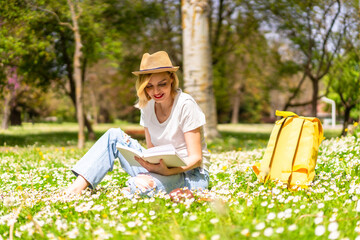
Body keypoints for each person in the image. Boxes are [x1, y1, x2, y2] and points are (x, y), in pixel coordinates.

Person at [66, 51, 210, 196]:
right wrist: (153, 167)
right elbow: (152, 151)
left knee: (142, 185)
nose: (156, 91)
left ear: (172, 79)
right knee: (113, 135)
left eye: (162, 84)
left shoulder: (185, 104)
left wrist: (168, 171)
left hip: (189, 174)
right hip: (160, 168)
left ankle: (138, 187)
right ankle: (76, 189)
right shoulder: (147, 106)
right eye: (149, 86)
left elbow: (196, 158)